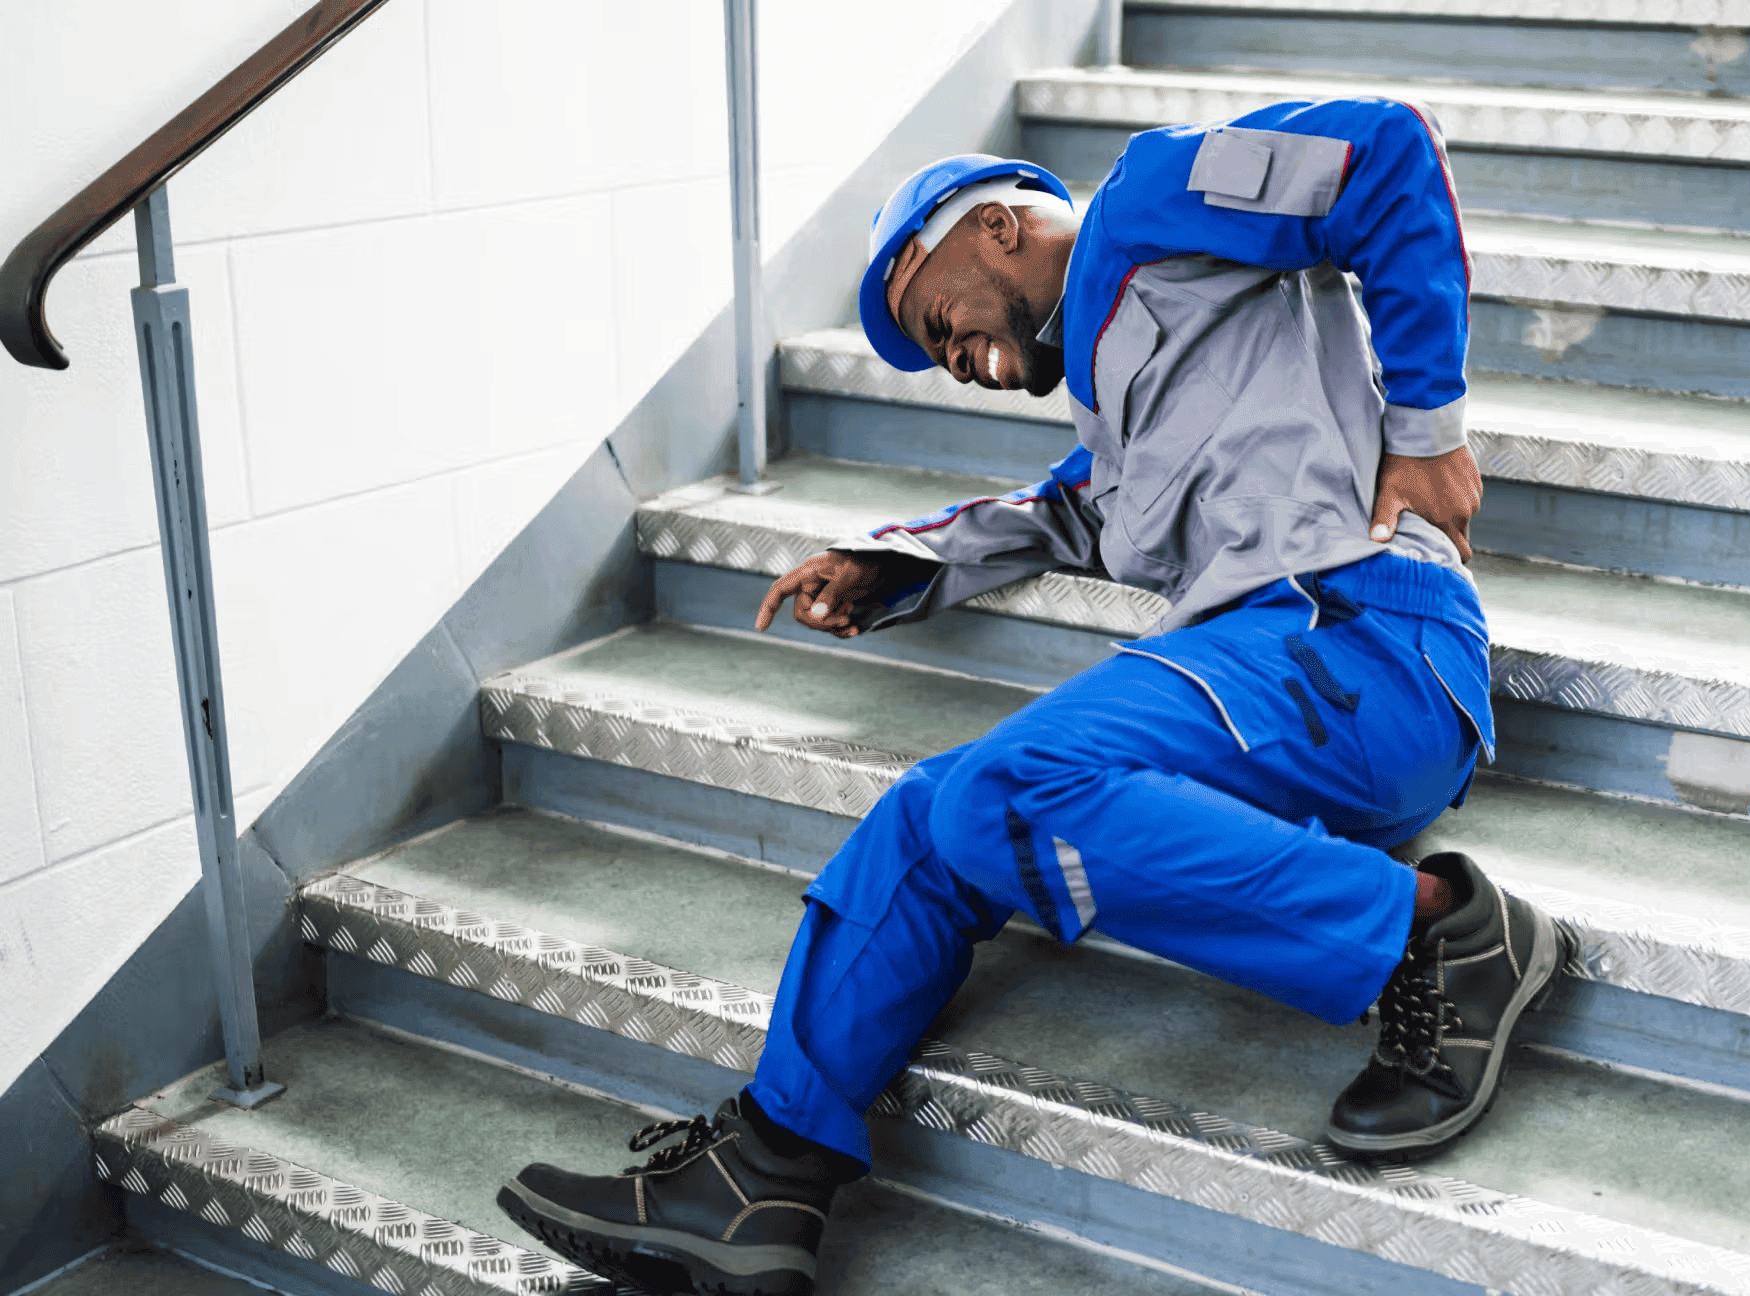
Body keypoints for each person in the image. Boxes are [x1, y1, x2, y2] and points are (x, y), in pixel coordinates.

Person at [498, 98, 1560, 1296]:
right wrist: (892, 566)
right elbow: (1065, 510)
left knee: (1012, 784)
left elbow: (1384, 154)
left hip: (1363, 637)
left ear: (996, 227)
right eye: (932, 354)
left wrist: (1427, 426)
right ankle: (766, 1171)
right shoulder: (1115, 414)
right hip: (1276, 685)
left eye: (932, 317)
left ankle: (1438, 929)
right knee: (928, 815)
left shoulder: (1148, 205)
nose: (951, 358)